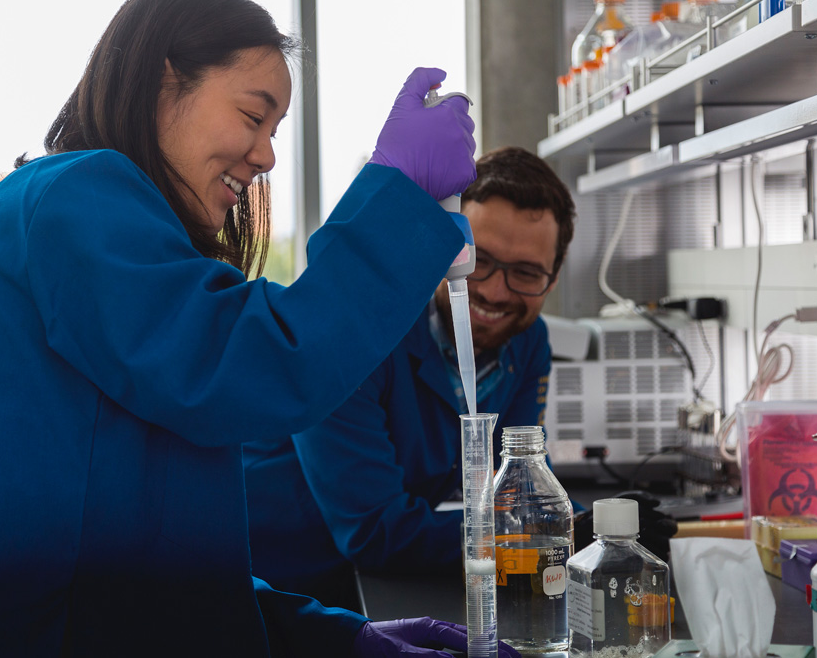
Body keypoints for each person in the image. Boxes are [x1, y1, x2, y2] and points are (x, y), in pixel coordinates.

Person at [0, 0, 525, 656]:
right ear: (166, 80)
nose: (267, 157)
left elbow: (159, 576)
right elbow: (261, 362)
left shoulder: (112, 242)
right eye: (254, 115)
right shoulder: (74, 198)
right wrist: (395, 192)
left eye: (276, 131)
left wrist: (342, 637)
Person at [244, 146, 578, 607]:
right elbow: (376, 530)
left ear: (553, 277)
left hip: (378, 582)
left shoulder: (527, 339)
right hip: (276, 580)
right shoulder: (358, 330)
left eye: (525, 272)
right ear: (444, 243)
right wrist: (566, 536)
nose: (495, 292)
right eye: (478, 260)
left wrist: (589, 524)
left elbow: (520, 487)